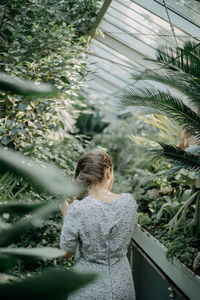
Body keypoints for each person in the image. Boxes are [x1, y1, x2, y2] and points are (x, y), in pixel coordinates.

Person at [60, 149, 138, 299]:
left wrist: (65, 215)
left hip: (88, 286)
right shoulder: (129, 202)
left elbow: (66, 253)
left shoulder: (77, 208)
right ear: (108, 171)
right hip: (122, 284)